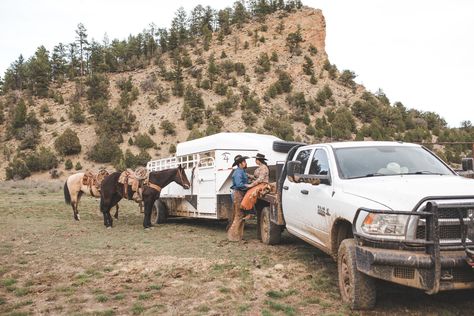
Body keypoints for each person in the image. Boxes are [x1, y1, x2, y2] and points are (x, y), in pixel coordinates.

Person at [227, 154, 249, 241]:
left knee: (240, 215)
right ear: (240, 164)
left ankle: (238, 236)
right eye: (244, 162)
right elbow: (239, 185)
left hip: (239, 194)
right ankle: (232, 236)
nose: (245, 163)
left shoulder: (241, 171)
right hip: (238, 194)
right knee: (239, 215)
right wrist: (249, 186)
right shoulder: (238, 172)